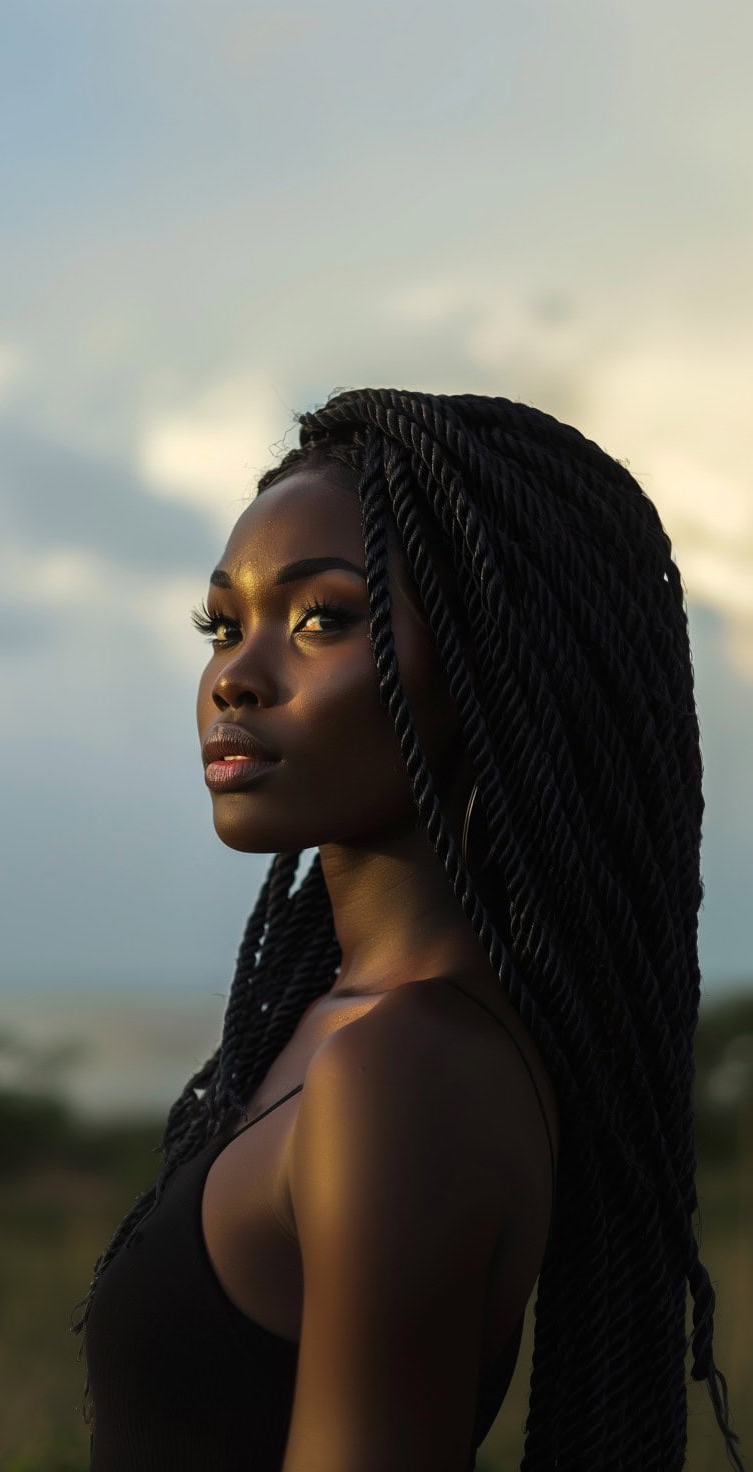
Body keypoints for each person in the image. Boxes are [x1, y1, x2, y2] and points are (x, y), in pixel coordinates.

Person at [72, 387, 744, 1471]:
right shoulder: (336, 1025)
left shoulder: (406, 1069)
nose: (235, 677)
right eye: (224, 625)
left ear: (493, 662)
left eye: (322, 618)